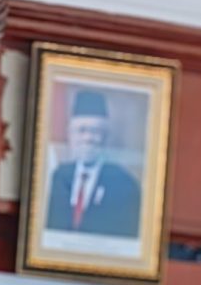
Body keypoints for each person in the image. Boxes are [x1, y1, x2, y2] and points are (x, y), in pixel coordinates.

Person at [44, 88, 142, 238]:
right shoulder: (57, 177)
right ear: (70, 135)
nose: (88, 138)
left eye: (95, 132)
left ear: (106, 137)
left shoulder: (124, 184)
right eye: (81, 130)